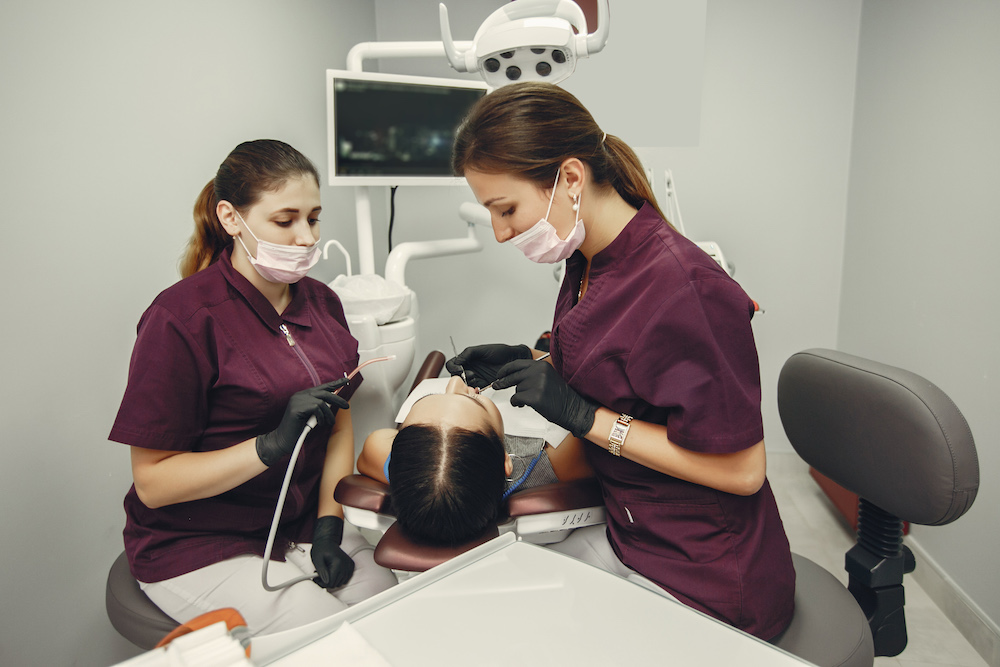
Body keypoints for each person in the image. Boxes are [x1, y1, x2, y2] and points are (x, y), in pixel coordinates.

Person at [446, 82, 795, 641]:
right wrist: (532, 358)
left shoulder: (685, 289)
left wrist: (585, 418)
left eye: (505, 208)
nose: (501, 231)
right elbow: (620, 365)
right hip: (634, 533)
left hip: (705, 578)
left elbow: (744, 471)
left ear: (571, 179)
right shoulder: (591, 260)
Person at [108, 140, 396, 636]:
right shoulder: (181, 319)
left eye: (314, 218)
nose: (306, 238)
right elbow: (154, 484)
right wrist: (267, 448)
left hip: (300, 525)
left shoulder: (322, 303)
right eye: (285, 221)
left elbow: (338, 423)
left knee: (390, 606)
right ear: (231, 218)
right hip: (198, 544)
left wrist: (329, 526)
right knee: (324, 636)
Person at [357, 374, 594, 547]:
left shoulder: (391, 460)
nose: (454, 382)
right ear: (505, 462)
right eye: (475, 401)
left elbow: (377, 443)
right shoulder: (561, 458)